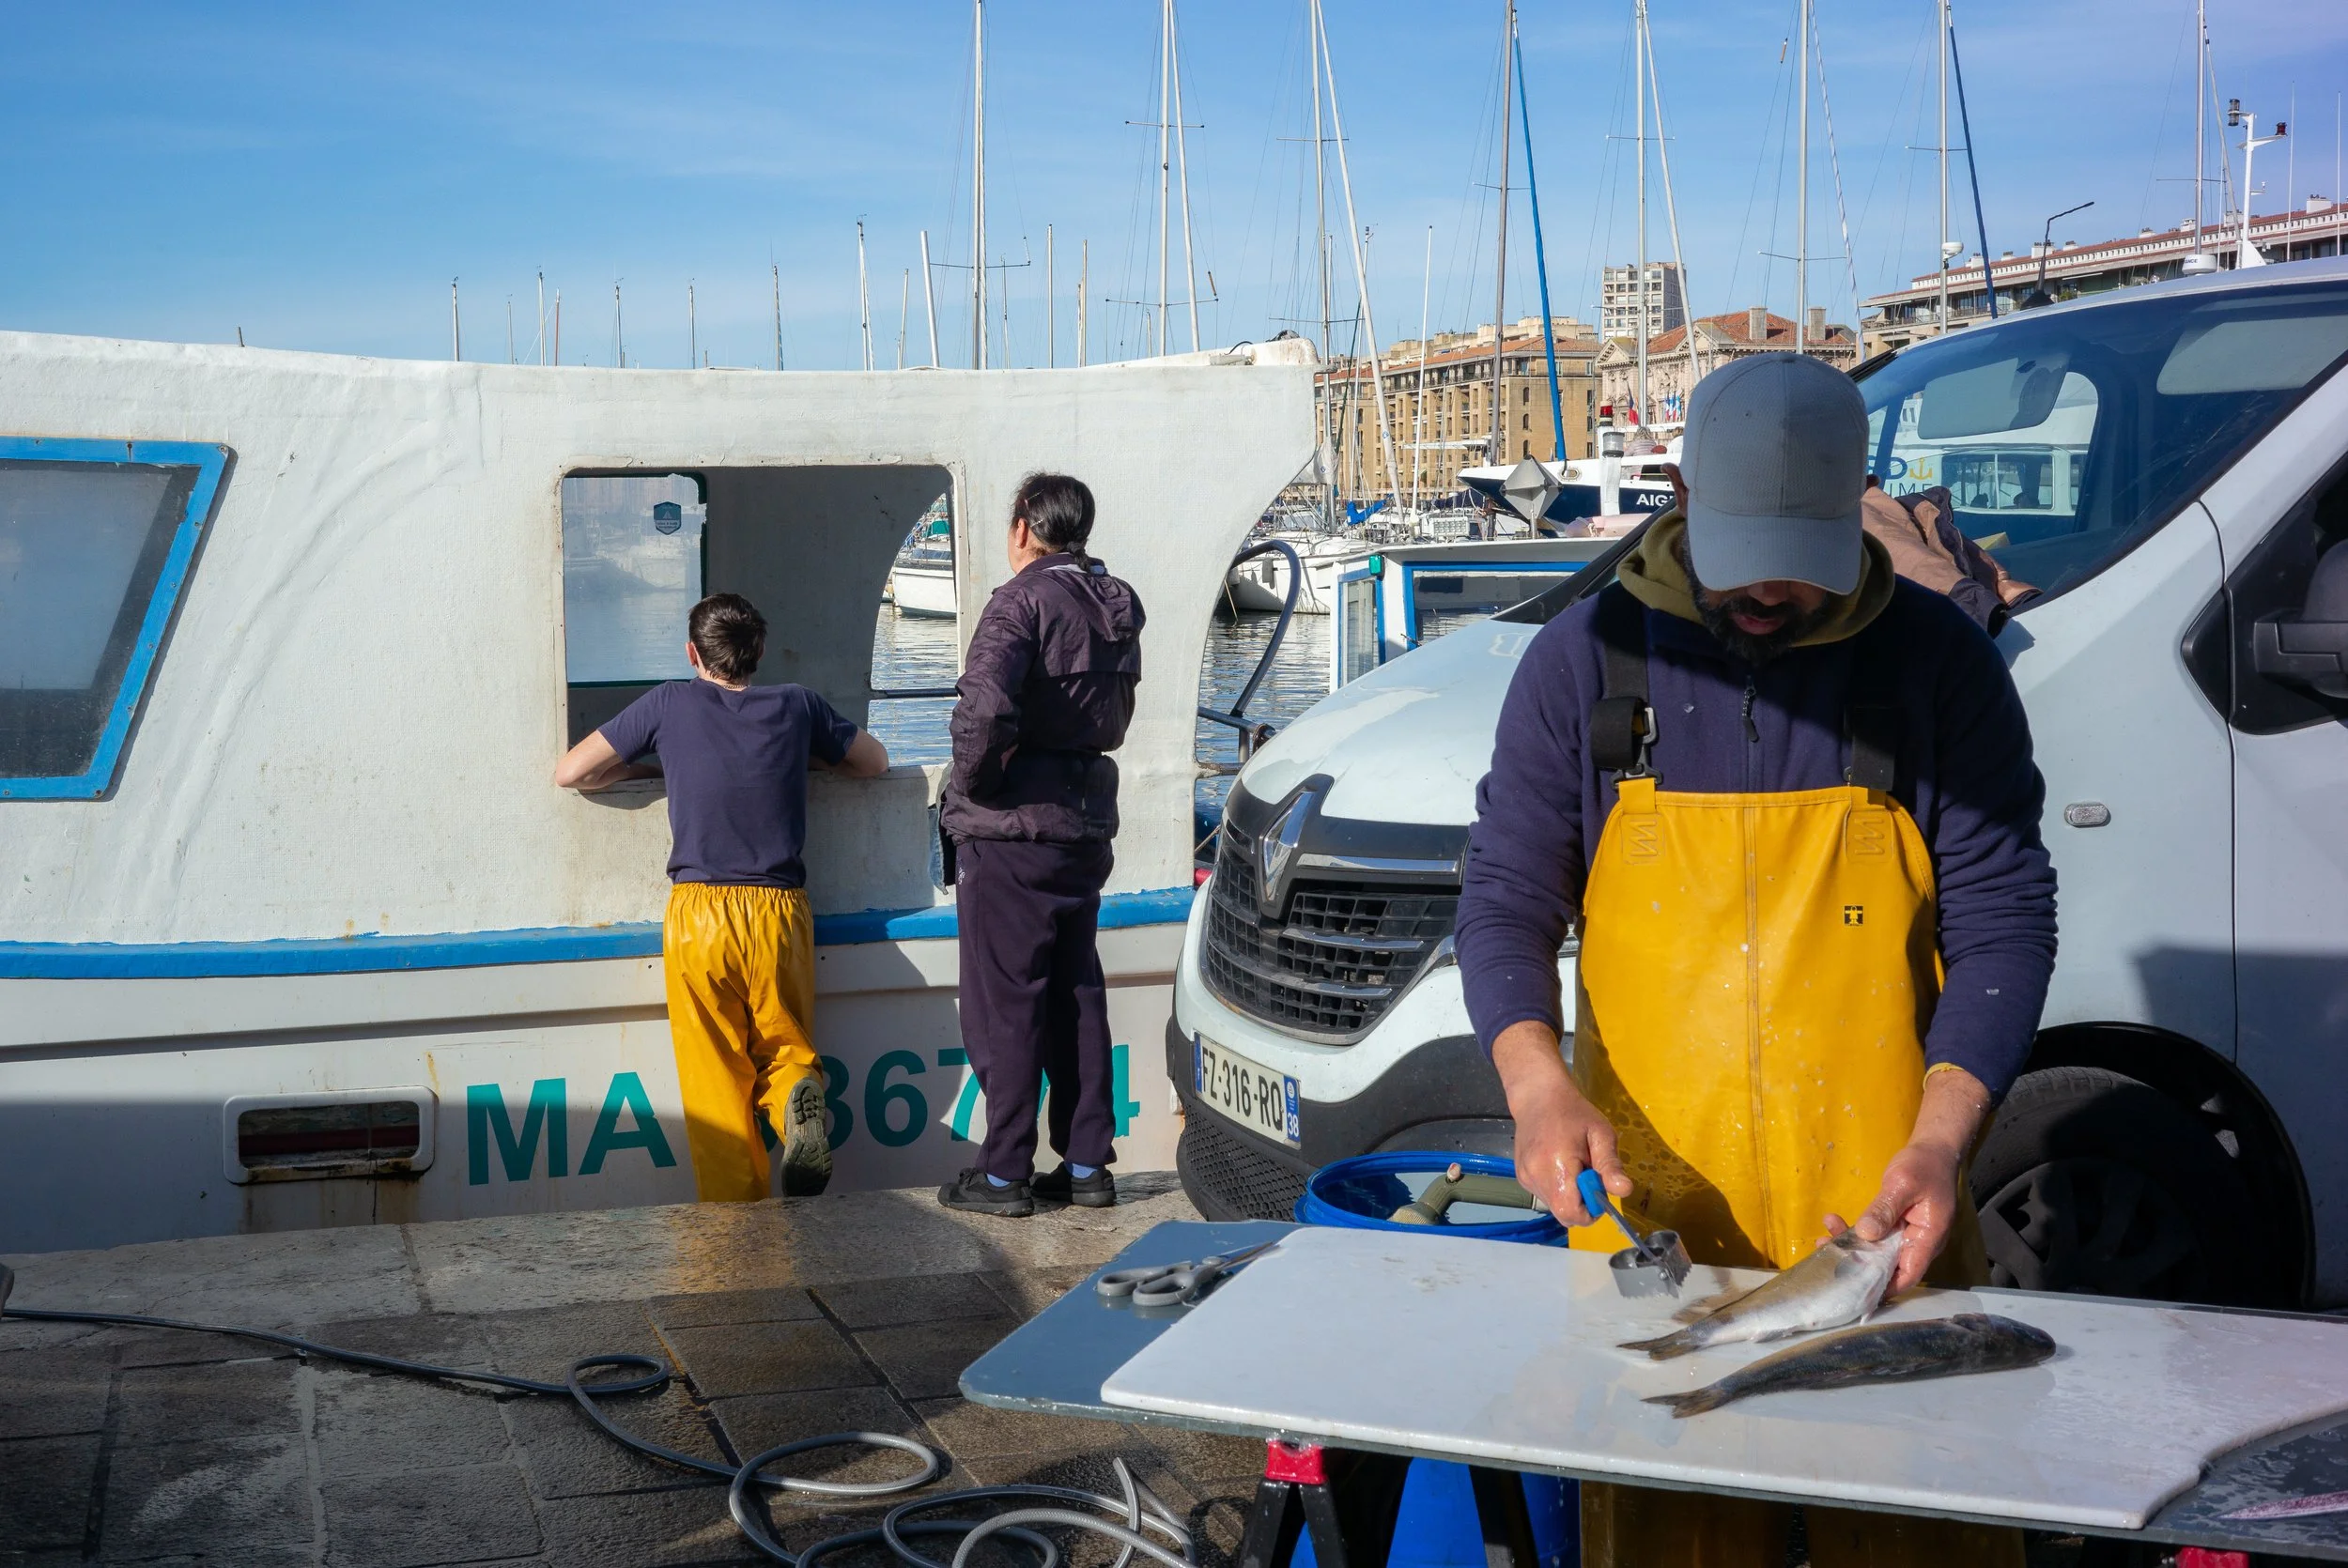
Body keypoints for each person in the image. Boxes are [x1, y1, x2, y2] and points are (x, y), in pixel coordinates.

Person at [1456, 354, 2058, 1568]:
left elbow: (2003, 916)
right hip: (1655, 1223)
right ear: (1679, 489)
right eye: (1746, 554)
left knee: (1912, 1530)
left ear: (1860, 503)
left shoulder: (1940, 664)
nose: (1771, 590)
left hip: (1878, 1218)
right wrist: (1534, 1085)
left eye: (1802, 551)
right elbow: (1507, 897)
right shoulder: (1582, 662)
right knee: (1669, 1535)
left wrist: (1943, 1140)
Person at [555, 592, 888, 1204]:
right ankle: (795, 1099)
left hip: (700, 912)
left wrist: (654, 767)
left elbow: (573, 772)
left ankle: (739, 1234)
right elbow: (874, 763)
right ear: (759, 652)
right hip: (779, 910)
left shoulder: (668, 703)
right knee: (786, 1047)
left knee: (716, 1080)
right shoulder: (797, 705)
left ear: (692, 653)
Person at [935, 473, 1145, 1218]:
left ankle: (1003, 1174)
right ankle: (1088, 1164)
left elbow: (984, 710)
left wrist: (971, 789)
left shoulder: (1018, 600)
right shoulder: (1116, 600)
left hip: (1014, 828)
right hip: (1084, 822)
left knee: (1006, 1004)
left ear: (1023, 526)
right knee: (1076, 994)